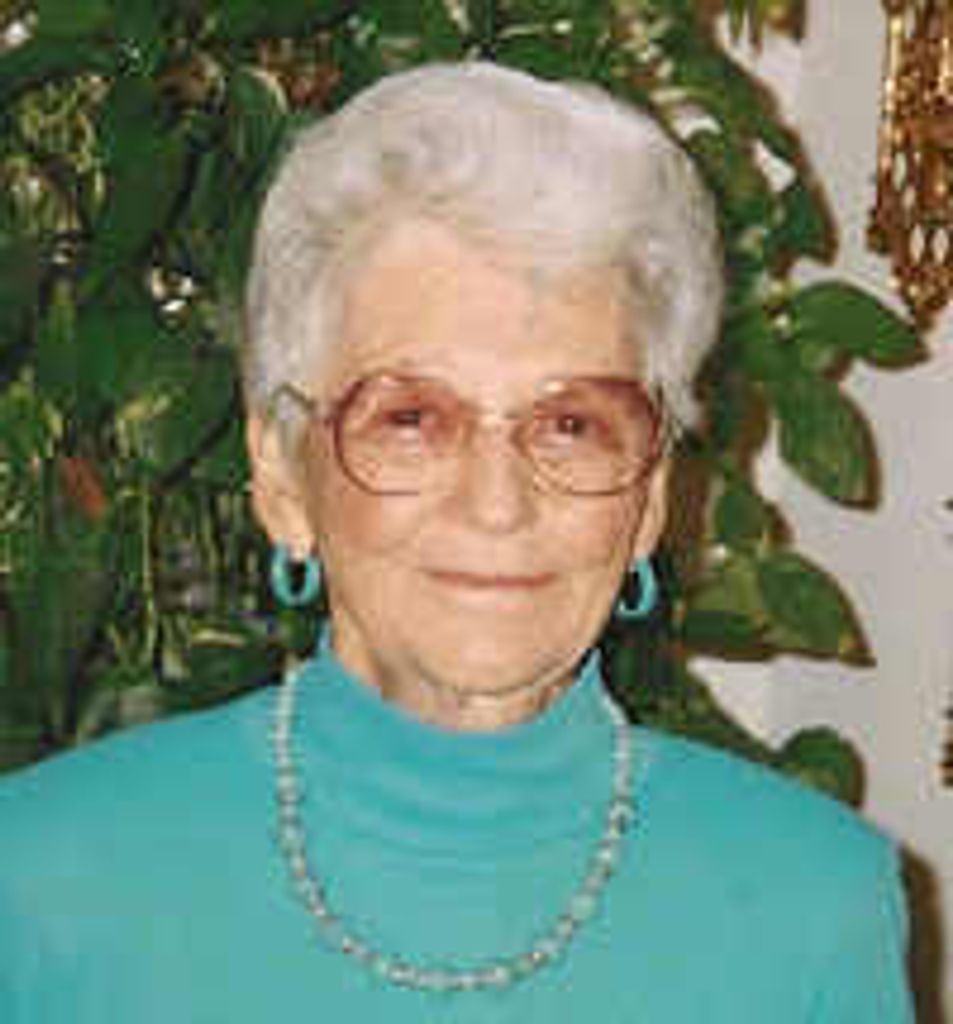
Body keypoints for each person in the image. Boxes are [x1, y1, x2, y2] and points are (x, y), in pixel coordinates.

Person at [0, 62, 912, 1021]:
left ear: (647, 495)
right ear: (283, 478)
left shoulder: (815, 905)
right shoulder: (42, 881)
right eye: (411, 419)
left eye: (571, 424)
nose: (496, 505)